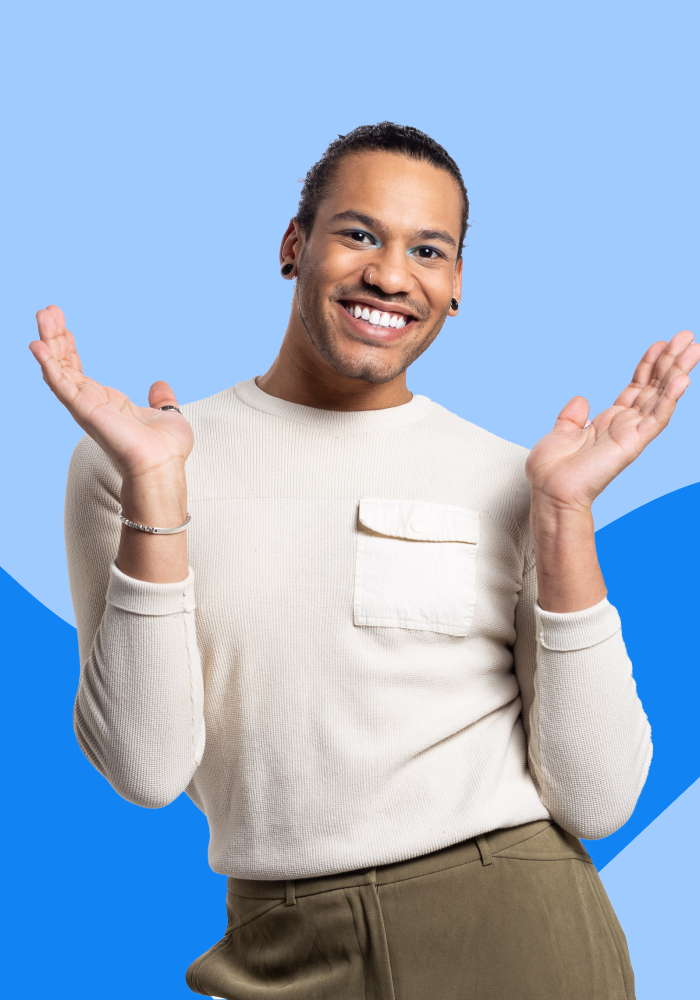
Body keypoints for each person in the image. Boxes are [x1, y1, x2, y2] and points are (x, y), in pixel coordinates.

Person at [30, 122, 698, 1000]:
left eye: (428, 250)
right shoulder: (135, 459)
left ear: (456, 287)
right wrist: (156, 489)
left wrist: (566, 513)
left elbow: (599, 798)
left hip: (511, 928)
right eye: (358, 234)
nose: (390, 274)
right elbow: (147, 769)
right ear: (293, 245)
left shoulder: (512, 478)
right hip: (275, 937)